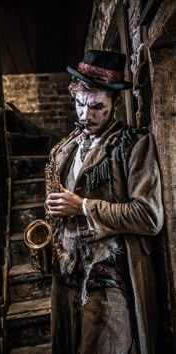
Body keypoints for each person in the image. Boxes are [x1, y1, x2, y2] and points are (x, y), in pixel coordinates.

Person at [46, 50, 164, 354]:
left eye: (97, 106)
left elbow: (149, 216)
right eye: (80, 104)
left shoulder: (134, 144)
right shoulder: (66, 147)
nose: (86, 115)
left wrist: (82, 207)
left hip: (108, 281)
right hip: (66, 278)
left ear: (114, 104)